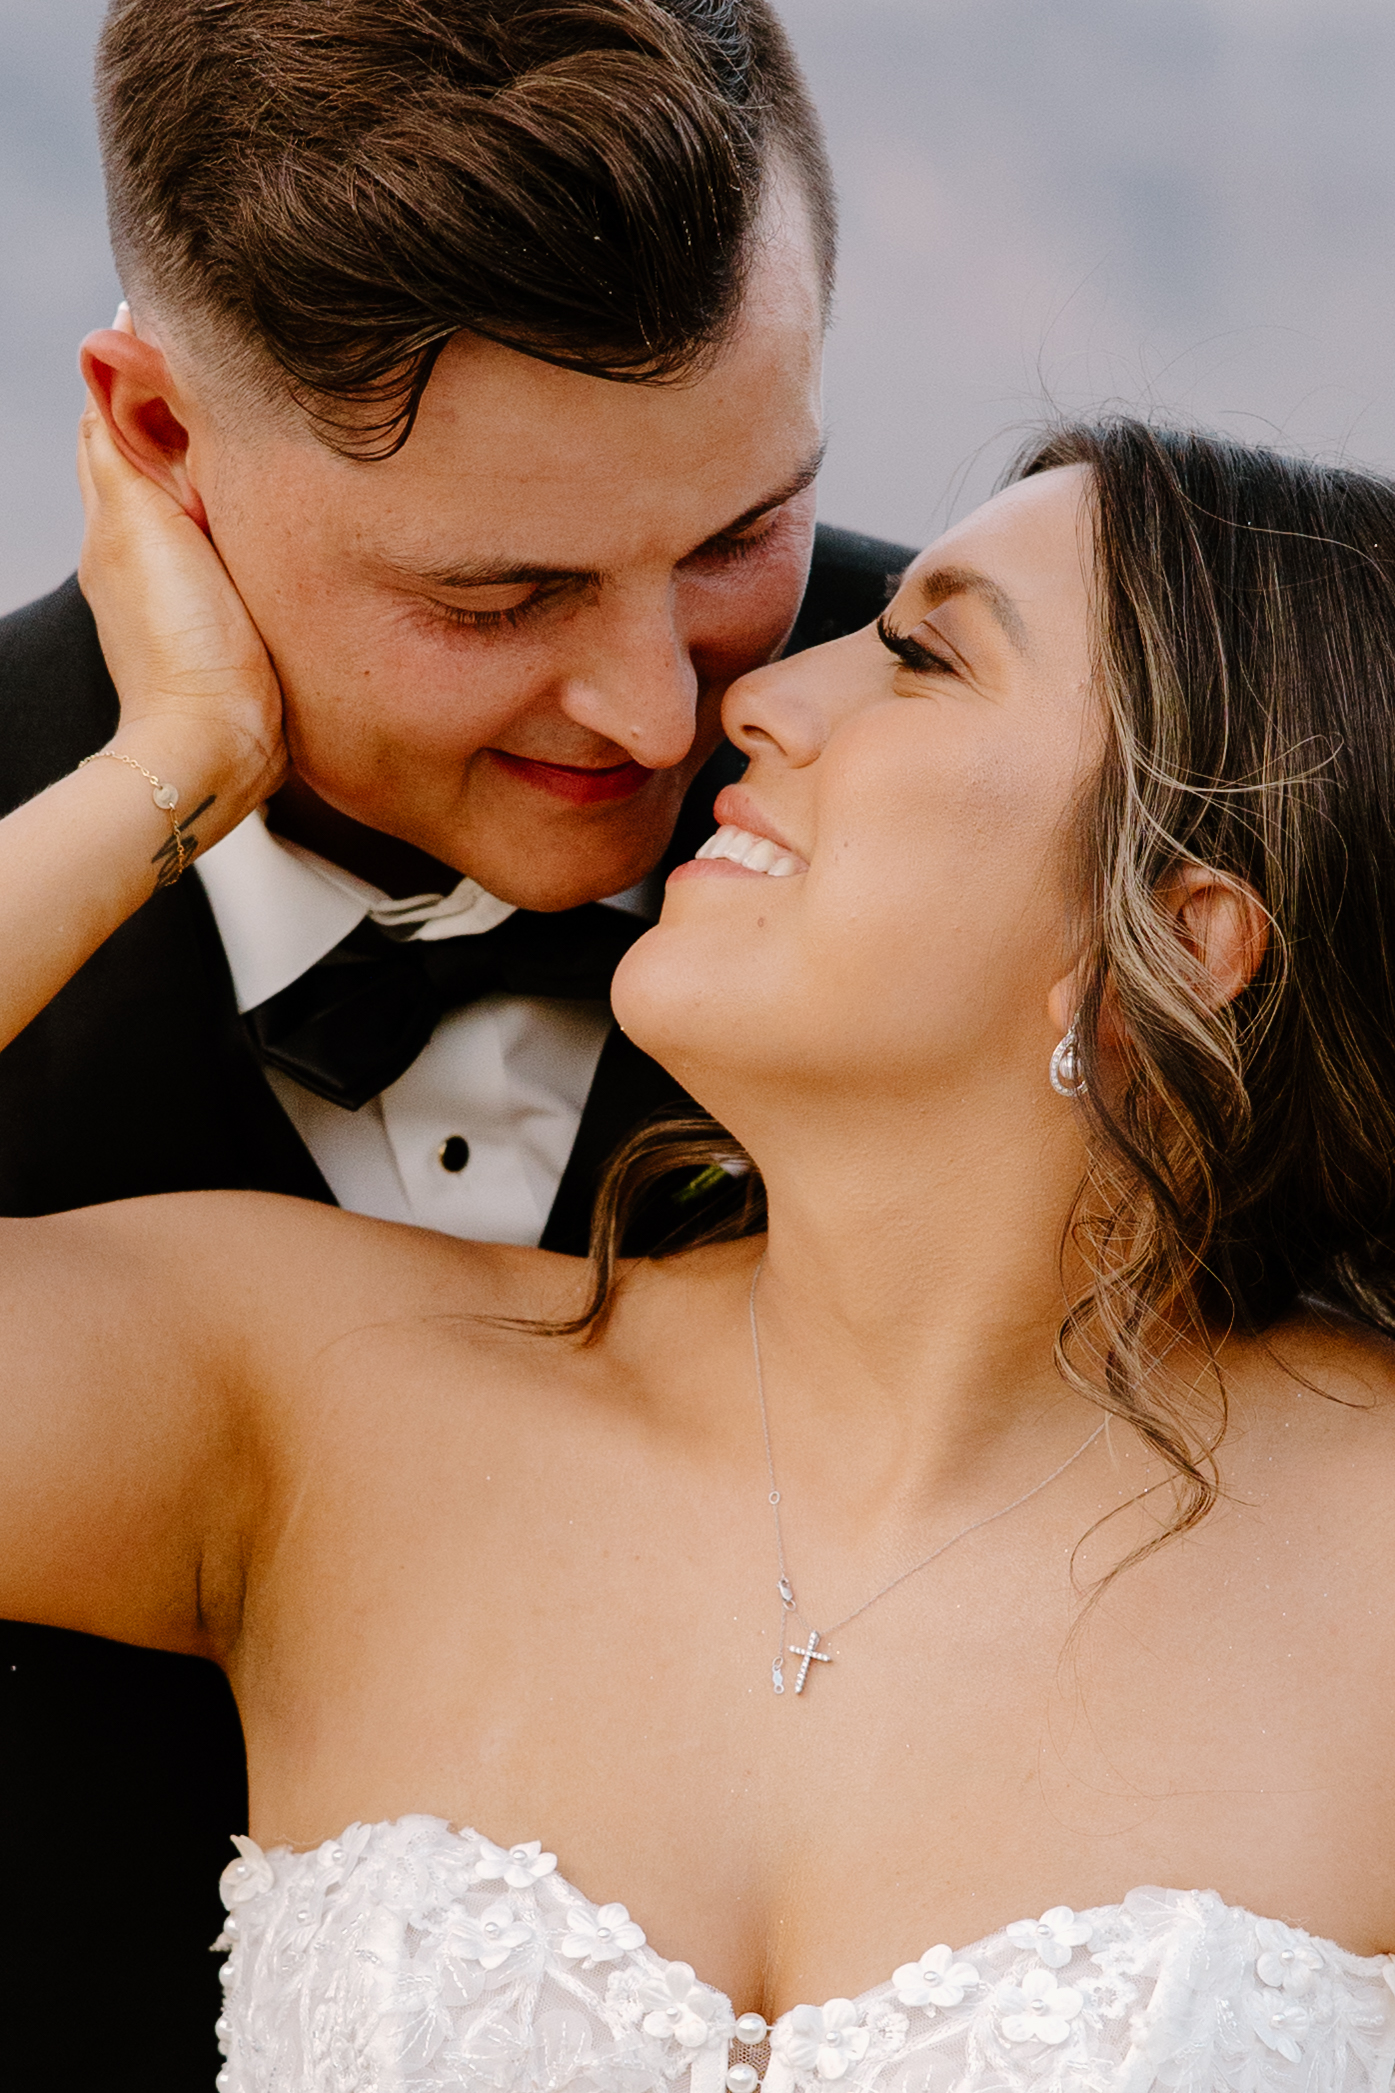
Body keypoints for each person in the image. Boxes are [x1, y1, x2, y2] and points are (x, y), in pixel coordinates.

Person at [6, 399, 1395, 2093]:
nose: (759, 694)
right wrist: (174, 756)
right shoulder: (325, 1407)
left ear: (1178, 945)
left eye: (927, 662)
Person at [0, 4, 914, 2073]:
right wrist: (176, 771)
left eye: (735, 535)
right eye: (496, 596)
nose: (656, 720)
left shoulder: (1020, 783)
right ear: (156, 437)